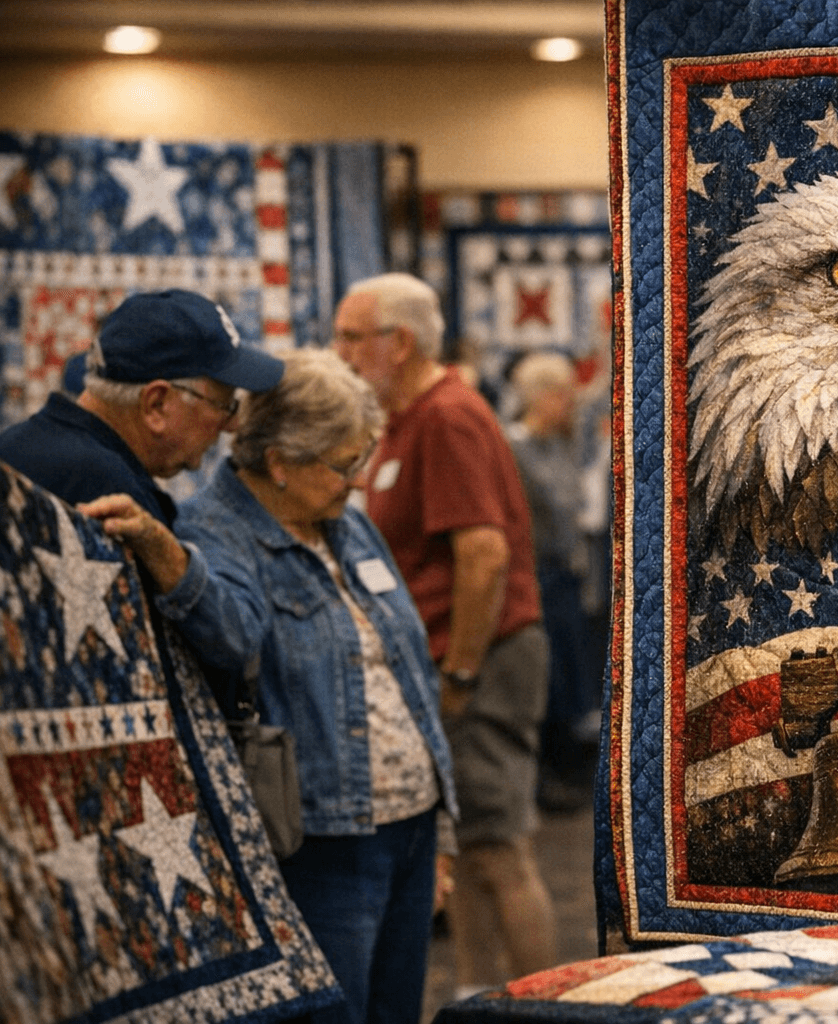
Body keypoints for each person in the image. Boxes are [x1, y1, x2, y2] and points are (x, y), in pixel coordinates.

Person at [121, 347, 458, 1024]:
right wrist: (169, 560)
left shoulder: (347, 525)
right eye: (343, 464)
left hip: (411, 827)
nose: (356, 483)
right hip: (326, 842)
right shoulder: (216, 532)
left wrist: (441, 829)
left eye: (362, 460)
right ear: (280, 461)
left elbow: (408, 670)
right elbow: (232, 636)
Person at [331, 272, 557, 994]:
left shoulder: (447, 417)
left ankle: (548, 1005)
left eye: (350, 338)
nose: (339, 353)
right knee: (456, 848)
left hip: (480, 657)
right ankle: (476, 996)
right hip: (446, 658)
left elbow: (484, 555)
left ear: (398, 343)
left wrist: (458, 673)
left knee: (498, 848)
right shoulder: (404, 418)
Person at [0, 288, 283, 528]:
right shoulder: (118, 502)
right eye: (225, 405)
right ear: (156, 405)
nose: (232, 424)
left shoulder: (11, 444)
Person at [505, 351, 600, 812]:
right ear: (539, 396)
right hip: (536, 574)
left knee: (570, 674)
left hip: (565, 576)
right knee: (548, 677)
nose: (570, 403)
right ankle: (543, 777)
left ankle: (566, 769)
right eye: (562, 394)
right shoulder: (514, 448)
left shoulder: (561, 445)